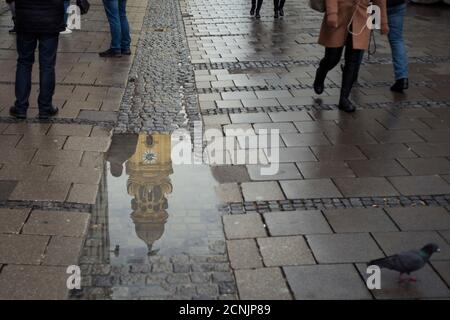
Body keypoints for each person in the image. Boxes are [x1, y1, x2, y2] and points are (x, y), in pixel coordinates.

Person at [313, 0, 389, 112]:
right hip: (339, 15)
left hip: (362, 17)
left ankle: (344, 99)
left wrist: (383, 22)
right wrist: (332, 13)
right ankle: (321, 72)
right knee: (333, 57)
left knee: (353, 61)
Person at [9, 0, 64, 119]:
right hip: (51, 17)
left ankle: (21, 107)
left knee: (24, 63)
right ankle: (45, 108)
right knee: (47, 65)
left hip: (25, 18)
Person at [387, 0, 408, 93]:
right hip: (397, 4)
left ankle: (352, 72)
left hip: (374, 6)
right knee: (396, 40)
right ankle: (402, 78)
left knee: (363, 37)